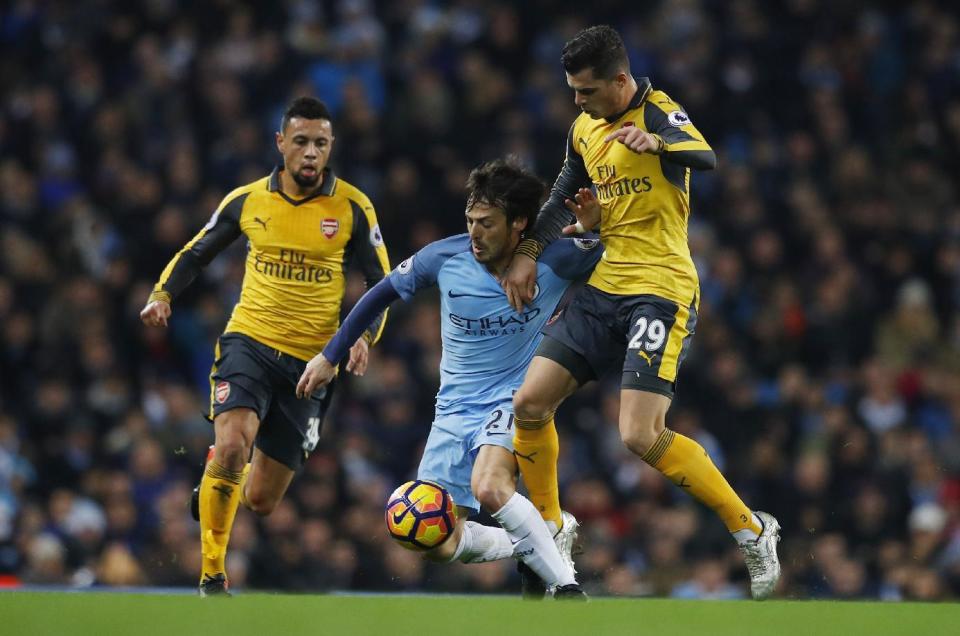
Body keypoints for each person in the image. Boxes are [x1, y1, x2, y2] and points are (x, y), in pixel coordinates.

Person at [501, 25, 782, 600]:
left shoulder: (659, 112)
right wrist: (527, 255)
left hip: (661, 289)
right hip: (605, 287)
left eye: (586, 91)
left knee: (637, 434)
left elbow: (705, 156)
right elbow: (560, 198)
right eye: (573, 91)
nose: (577, 101)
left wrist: (661, 145)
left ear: (621, 81)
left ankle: (751, 528)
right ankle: (553, 529)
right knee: (529, 403)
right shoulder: (584, 128)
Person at [297, 158, 602, 600]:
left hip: (514, 397)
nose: (475, 232)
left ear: (519, 224)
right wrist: (330, 355)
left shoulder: (556, 260)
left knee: (490, 487)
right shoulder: (444, 257)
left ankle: (565, 587)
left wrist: (593, 230)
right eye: (471, 221)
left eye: (488, 223)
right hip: (453, 410)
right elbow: (380, 293)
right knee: (439, 543)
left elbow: (623, 252)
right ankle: (541, 541)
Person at [140, 96, 391, 596]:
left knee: (260, 500)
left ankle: (217, 477)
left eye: (320, 143)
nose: (310, 153)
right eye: (301, 142)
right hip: (249, 342)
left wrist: (363, 335)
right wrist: (162, 294)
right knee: (233, 445)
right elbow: (197, 251)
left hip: (314, 365)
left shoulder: (354, 207)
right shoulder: (248, 200)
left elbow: (383, 283)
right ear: (281, 143)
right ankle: (213, 573)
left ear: (331, 146)